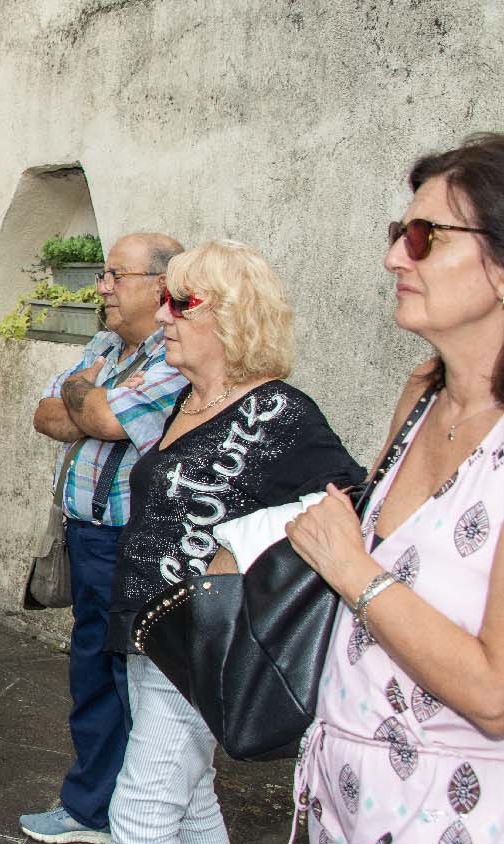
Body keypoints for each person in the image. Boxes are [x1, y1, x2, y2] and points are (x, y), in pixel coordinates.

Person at [104, 240, 362, 843]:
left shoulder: (279, 411)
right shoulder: (192, 402)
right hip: (153, 634)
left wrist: (238, 552)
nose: (163, 314)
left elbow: (351, 502)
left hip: (202, 642)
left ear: (231, 314)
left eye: (180, 302)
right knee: (192, 802)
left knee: (141, 812)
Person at [287, 134, 504, 842]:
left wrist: (349, 566)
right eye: (396, 233)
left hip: (454, 814)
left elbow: (495, 696)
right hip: (344, 793)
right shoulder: (421, 393)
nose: (392, 257)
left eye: (423, 236)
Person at [19, 233, 188, 843]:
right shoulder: (104, 344)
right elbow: (46, 414)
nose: (103, 285)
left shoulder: (175, 354)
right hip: (87, 537)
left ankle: (139, 815)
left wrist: (90, 401)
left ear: (160, 287)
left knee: (135, 680)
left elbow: (105, 419)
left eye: (117, 274)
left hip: (135, 542)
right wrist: (88, 399)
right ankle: (91, 807)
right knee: (92, 675)